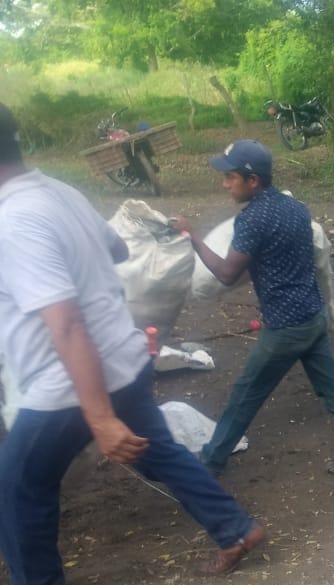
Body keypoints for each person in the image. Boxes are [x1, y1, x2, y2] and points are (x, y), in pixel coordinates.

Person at [0, 104, 264, 584]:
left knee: (18, 492)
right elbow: (117, 249)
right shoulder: (59, 192)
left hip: (69, 387)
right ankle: (234, 528)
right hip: (124, 358)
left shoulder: (13, 219)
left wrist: (98, 418)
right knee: (159, 451)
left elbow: (65, 325)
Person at [171, 139, 334, 476]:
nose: (225, 184)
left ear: (252, 180)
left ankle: (211, 461)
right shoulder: (297, 209)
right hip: (312, 315)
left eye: (230, 178)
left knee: (245, 394)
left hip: (285, 326)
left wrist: (193, 235)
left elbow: (226, 274)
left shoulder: (252, 219)